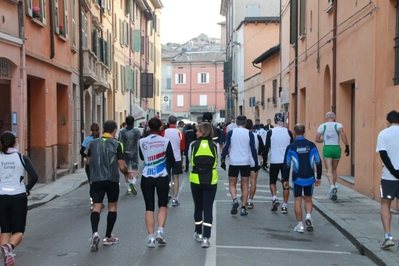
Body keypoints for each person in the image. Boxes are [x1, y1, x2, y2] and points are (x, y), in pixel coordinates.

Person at [86, 120, 132, 251]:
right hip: (111, 179)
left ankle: (95, 233)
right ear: (114, 130)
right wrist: (127, 174)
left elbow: (88, 162)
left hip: (96, 180)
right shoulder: (117, 144)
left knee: (96, 207)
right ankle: (107, 237)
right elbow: (122, 166)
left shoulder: (92, 144)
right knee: (112, 207)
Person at [0, 131, 39, 266]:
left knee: (5, 229)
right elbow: (34, 177)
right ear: (15, 142)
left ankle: (7, 254)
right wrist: (26, 189)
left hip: (2, 197)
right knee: (19, 231)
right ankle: (9, 247)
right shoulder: (22, 158)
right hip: (18, 197)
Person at [139, 117, 175, 248]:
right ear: (161, 127)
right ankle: (160, 231)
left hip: (147, 176)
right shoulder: (166, 141)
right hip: (162, 176)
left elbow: (142, 157)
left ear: (148, 127)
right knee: (162, 205)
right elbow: (171, 159)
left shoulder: (142, 141)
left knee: (149, 207)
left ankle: (151, 238)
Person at [282, 124, 322, 233]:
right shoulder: (312, 145)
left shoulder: (291, 147)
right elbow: (318, 162)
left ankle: (300, 225)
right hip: (309, 177)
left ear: (294, 132)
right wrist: (318, 177)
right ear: (304, 132)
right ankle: (308, 216)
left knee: (297, 200)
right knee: (308, 199)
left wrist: (285, 179)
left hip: (297, 178)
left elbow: (286, 164)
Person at [188, 123, 219, 248]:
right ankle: (206, 237)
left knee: (198, 207)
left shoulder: (193, 145)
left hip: (196, 179)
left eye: (197, 131)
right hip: (211, 179)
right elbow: (217, 161)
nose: (196, 133)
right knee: (208, 208)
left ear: (202, 132)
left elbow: (191, 160)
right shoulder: (215, 145)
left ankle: (198, 232)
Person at [221, 115, 258, 216]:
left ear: (236, 123)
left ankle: (234, 199)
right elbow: (253, 149)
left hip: (234, 161)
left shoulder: (231, 133)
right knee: (245, 185)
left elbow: (226, 146)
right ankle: (243, 208)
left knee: (232, 184)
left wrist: (223, 159)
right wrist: (256, 162)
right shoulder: (249, 134)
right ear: (245, 123)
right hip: (245, 161)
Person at [376, 110, 399, 249]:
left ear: (387, 121)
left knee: (386, 204)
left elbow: (383, 155)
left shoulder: (383, 134)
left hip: (389, 177)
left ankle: (388, 236)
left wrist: (394, 172)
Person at [315, 111, 350, 201]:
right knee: (334, 170)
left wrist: (323, 140)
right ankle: (333, 187)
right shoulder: (338, 125)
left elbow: (317, 139)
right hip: (336, 148)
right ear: (334, 117)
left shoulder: (322, 126)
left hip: (327, 148)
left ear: (326, 118)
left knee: (329, 170)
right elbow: (342, 134)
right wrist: (347, 145)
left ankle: (331, 186)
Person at [264, 113, 294, 213]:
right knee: (285, 182)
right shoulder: (288, 132)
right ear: (283, 120)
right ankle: (284, 205)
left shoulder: (270, 132)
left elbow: (266, 147)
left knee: (272, 181)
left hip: (274, 160)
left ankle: (275, 198)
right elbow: (292, 147)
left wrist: (264, 161)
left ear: (274, 121)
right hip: (286, 161)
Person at [162, 115, 186, 206]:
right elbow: (183, 147)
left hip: (166, 157)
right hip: (176, 158)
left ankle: (167, 194)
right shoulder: (179, 133)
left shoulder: (164, 132)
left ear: (168, 122)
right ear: (176, 122)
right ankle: (174, 199)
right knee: (176, 178)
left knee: (166, 178)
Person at [118, 115, 141, 195]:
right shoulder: (137, 131)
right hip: (134, 152)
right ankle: (133, 182)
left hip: (125, 152)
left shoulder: (122, 131)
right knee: (135, 169)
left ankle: (128, 188)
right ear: (133, 122)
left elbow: (120, 142)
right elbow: (139, 140)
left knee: (126, 170)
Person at [80, 123, 100, 209]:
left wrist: (87, 157)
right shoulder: (100, 140)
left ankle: (93, 203)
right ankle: (99, 201)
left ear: (91, 130)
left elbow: (81, 151)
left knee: (91, 184)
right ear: (98, 130)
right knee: (99, 184)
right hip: (99, 164)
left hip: (89, 164)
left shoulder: (87, 139)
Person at [244, 119, 263, 209]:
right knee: (253, 181)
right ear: (252, 126)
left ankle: (244, 197)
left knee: (244, 182)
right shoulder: (257, 136)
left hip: (244, 161)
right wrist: (260, 156)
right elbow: (262, 147)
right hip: (254, 161)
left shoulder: (242, 135)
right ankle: (250, 200)